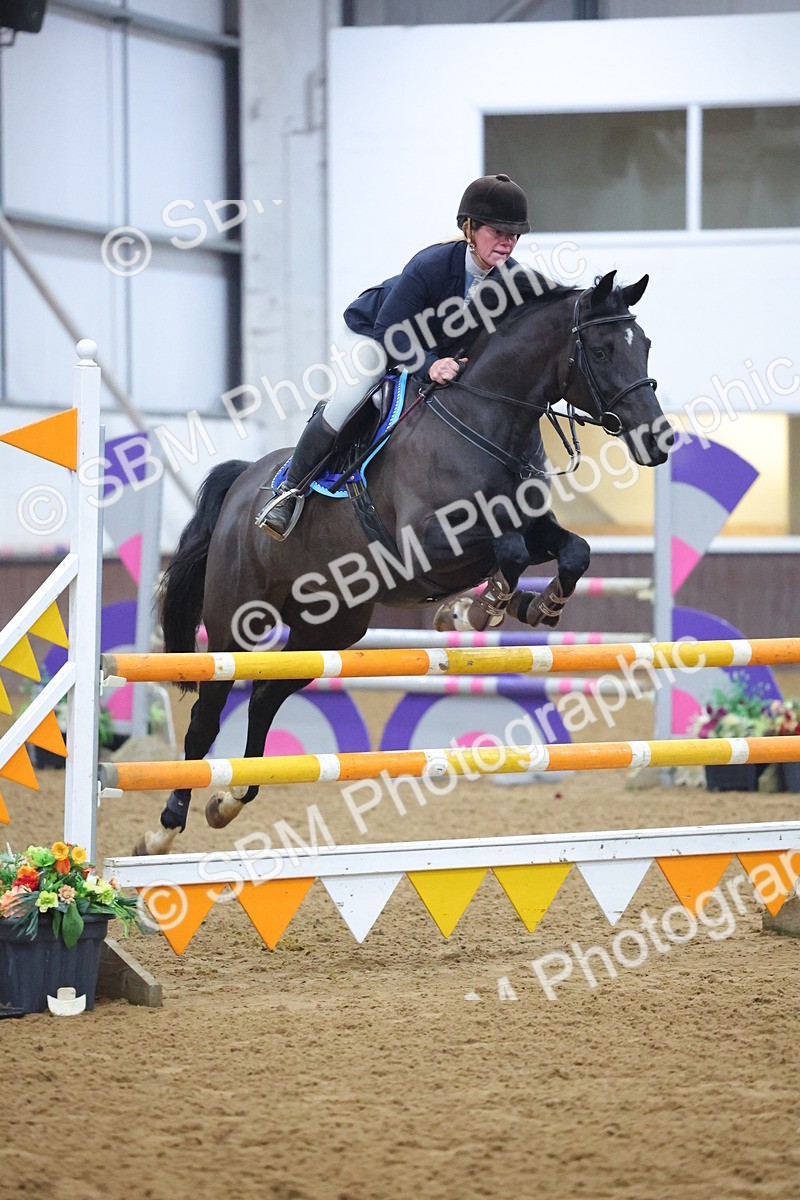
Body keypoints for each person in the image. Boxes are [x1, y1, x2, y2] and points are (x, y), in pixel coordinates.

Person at [255, 173, 530, 540]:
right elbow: (389, 332)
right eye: (498, 231)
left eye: (514, 234)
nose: (507, 242)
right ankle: (289, 490)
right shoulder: (431, 265)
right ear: (470, 228)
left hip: (429, 349)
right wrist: (430, 364)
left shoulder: (512, 280)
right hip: (374, 334)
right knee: (355, 395)